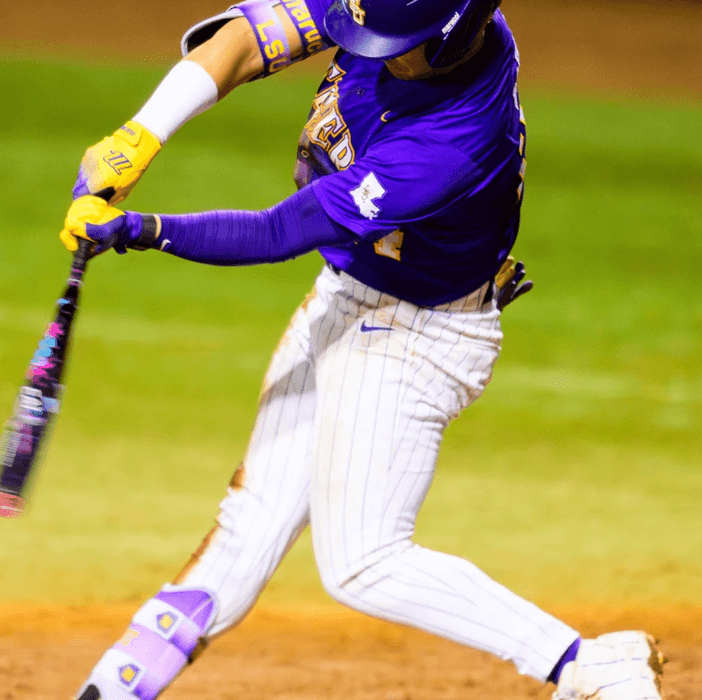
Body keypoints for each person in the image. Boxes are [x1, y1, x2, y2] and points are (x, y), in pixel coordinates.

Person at [56, 2, 666, 699]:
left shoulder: (447, 146)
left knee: (362, 562)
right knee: (246, 529)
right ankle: (112, 687)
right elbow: (246, 43)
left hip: (415, 336)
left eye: (393, 46)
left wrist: (138, 229)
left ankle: (586, 666)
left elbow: (275, 232)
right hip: (352, 292)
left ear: (447, 43)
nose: (367, 50)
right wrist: (138, 135)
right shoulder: (395, 5)